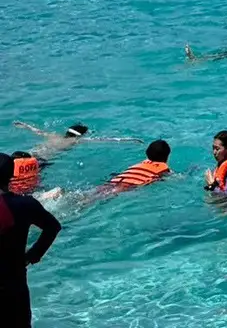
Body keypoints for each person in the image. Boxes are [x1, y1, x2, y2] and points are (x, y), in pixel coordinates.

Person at [0, 152, 61, 327]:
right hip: (14, 282)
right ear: (12, 175)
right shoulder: (25, 204)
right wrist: (32, 255)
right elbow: (53, 226)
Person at [11, 122, 139, 163]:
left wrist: (24, 125)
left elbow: (37, 131)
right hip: (41, 161)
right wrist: (129, 140)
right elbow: (104, 139)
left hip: (27, 154)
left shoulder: (53, 136)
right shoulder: (76, 141)